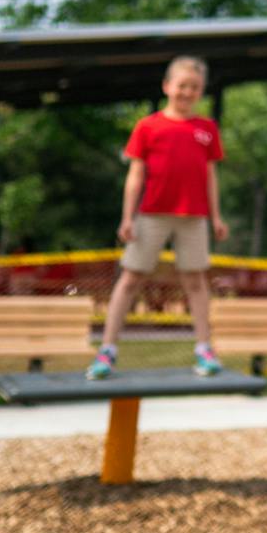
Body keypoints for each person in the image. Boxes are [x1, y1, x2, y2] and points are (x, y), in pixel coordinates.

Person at [88, 56, 229, 380]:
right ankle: (107, 350)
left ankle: (204, 349)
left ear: (201, 91)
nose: (187, 92)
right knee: (131, 278)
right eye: (181, 85)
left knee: (195, 281)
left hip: (193, 217)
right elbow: (135, 175)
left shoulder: (206, 129)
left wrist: (216, 216)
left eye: (194, 87)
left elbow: (210, 176)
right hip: (151, 214)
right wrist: (128, 217)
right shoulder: (148, 127)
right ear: (167, 86)